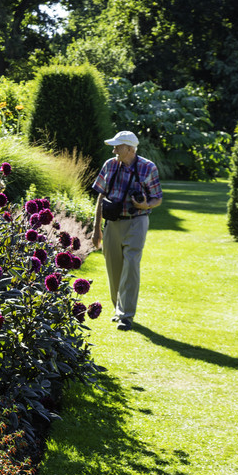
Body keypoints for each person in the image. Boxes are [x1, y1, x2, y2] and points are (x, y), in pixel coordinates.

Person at [90, 131, 163, 331]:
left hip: (137, 222)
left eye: (117, 147)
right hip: (112, 223)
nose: (114, 150)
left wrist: (145, 206)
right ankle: (118, 309)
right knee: (114, 269)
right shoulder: (110, 165)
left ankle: (126, 315)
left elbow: (157, 198)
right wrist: (96, 229)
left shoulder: (148, 168)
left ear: (130, 149)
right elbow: (100, 197)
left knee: (131, 265)